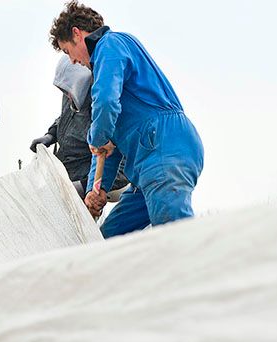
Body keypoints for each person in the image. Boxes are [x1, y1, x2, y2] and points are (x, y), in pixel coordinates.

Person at [50, 2, 204, 238]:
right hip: (145, 167)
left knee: (176, 235)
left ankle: (203, 272)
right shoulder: (112, 89)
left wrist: (95, 138)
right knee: (107, 239)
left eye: (68, 52)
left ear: (76, 34)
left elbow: (105, 105)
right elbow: (107, 149)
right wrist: (96, 189)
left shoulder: (111, 45)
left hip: (164, 148)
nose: (72, 61)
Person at [30, 56, 129, 199]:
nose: (66, 95)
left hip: (85, 180)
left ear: (81, 84)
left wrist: (85, 187)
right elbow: (64, 117)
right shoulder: (72, 94)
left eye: (68, 91)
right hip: (63, 170)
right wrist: (50, 135)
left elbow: (123, 168)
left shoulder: (104, 113)